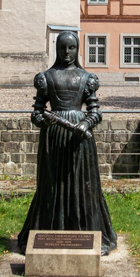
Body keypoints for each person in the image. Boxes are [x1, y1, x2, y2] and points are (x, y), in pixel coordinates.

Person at [17, 30, 117, 255]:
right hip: (53, 138)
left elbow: (95, 112)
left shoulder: (86, 78)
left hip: (79, 139)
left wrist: (85, 123)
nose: (67, 52)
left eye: (71, 48)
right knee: (51, 186)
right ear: (57, 49)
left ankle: (87, 233)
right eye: (63, 47)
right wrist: (44, 120)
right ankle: (49, 232)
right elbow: (36, 113)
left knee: (83, 185)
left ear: (77, 49)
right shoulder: (46, 77)